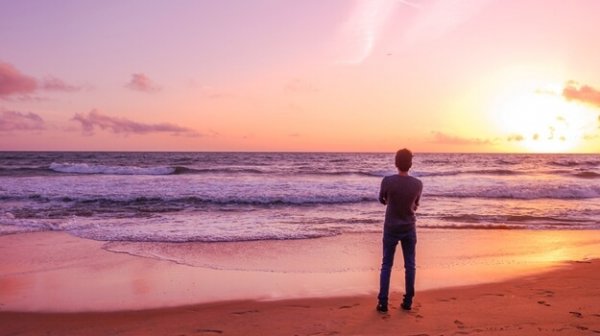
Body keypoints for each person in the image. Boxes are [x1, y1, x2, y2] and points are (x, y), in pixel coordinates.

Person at [376, 148, 423, 313]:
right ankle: (408, 301)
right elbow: (415, 205)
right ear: (410, 164)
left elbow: (382, 199)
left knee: (386, 264)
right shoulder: (417, 184)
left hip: (391, 227)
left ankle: (383, 303)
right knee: (410, 264)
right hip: (409, 226)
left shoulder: (387, 181)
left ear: (396, 163)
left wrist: (392, 201)